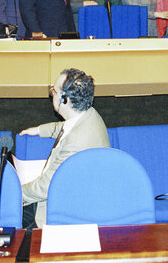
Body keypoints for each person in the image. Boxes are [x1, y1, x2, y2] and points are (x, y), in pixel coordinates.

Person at [19, 68, 110, 228]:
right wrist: (39, 130)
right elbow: (66, 126)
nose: (51, 94)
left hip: (62, 211)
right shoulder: (89, 114)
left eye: (53, 91)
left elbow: (44, 189)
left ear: (64, 100)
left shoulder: (76, 143)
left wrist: (15, 193)